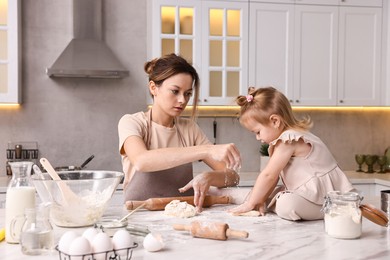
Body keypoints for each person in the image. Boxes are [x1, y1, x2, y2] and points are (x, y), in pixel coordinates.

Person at [118, 53, 241, 212]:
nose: (183, 100)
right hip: (138, 214)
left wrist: (209, 177)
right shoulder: (132, 122)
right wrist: (205, 150)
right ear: (153, 88)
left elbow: (232, 177)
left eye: (188, 93)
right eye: (175, 91)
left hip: (183, 215)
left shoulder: (189, 128)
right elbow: (142, 161)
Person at [228, 86, 354, 220]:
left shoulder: (288, 140)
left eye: (258, 132)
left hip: (326, 195)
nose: (258, 138)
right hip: (312, 193)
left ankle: (339, 209)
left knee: (285, 204)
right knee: (267, 195)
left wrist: (250, 203)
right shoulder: (289, 136)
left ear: (275, 121)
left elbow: (269, 175)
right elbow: (274, 177)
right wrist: (260, 199)